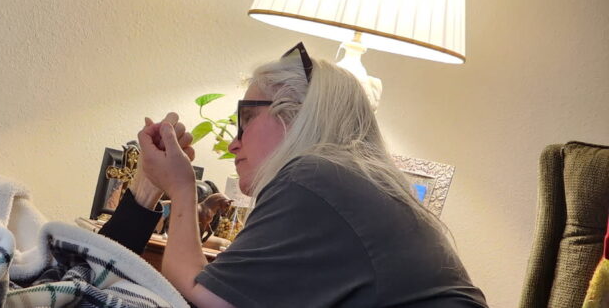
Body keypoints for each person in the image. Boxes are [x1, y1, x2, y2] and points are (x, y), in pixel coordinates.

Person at [99, 42, 487, 307]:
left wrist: (182, 187)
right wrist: (151, 184)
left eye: (246, 118)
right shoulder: (344, 181)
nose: (234, 143)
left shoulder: (314, 176)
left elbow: (201, 296)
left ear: (296, 115)